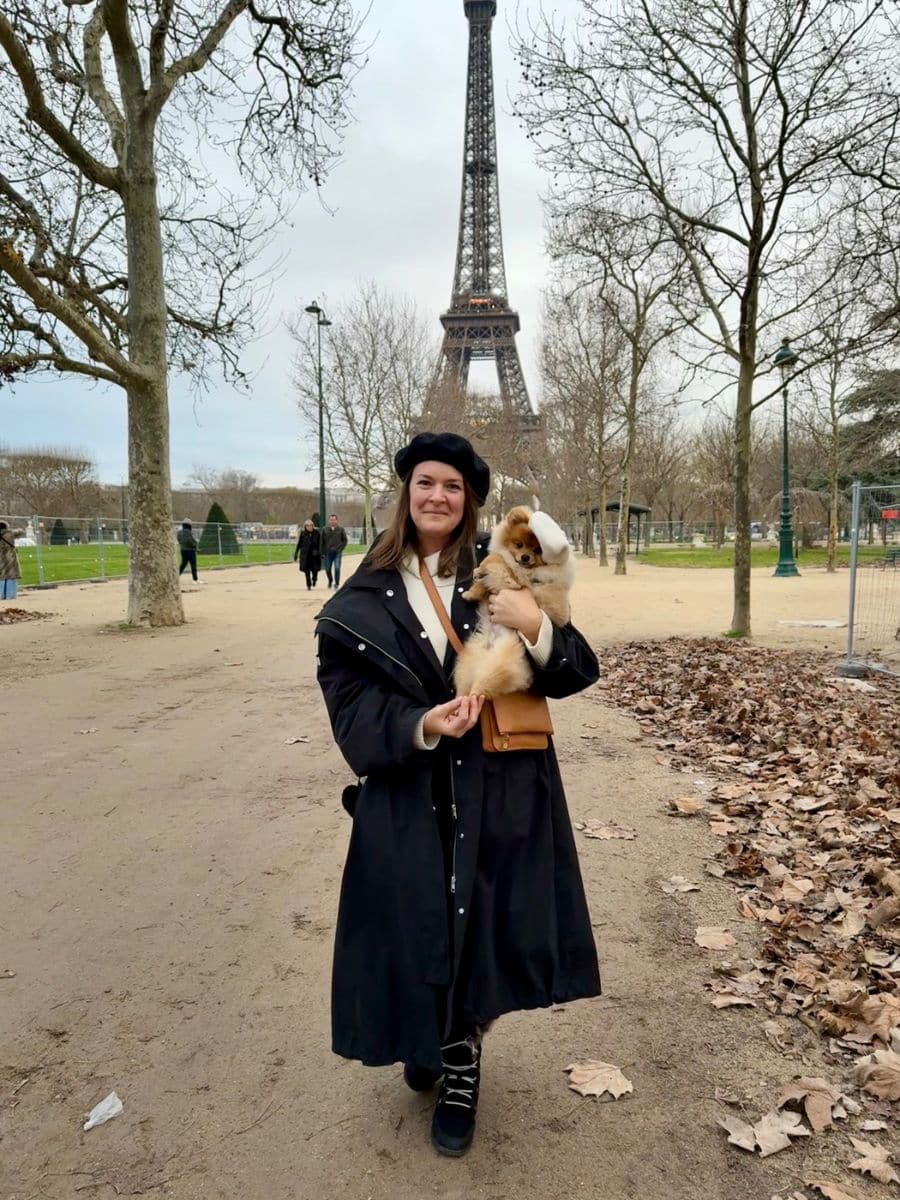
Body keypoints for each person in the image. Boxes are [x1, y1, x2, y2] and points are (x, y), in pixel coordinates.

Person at [315, 432, 601, 1158]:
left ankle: (461, 1057)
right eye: (425, 483)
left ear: (469, 501)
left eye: (452, 487)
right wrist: (419, 723)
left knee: (482, 919)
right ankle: (427, 1031)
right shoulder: (364, 591)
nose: (437, 497)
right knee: (417, 916)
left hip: (500, 786)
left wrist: (535, 626)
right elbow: (346, 699)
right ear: (405, 493)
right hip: (411, 787)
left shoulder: (506, 573)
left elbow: (577, 669)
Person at [321, 513, 348, 590]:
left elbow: (345, 540)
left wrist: (340, 549)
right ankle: (330, 580)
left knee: (337, 568)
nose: (332, 521)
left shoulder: (341, 529)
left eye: (334, 520)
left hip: (337, 553)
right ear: (329, 520)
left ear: (336, 520)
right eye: (331, 520)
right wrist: (322, 552)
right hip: (327, 553)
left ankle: (336, 583)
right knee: (327, 568)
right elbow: (321, 542)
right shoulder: (325, 529)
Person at [294, 519, 322, 590]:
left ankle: (314, 579)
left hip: (314, 555)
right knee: (307, 571)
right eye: (307, 526)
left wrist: (319, 552)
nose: (309, 527)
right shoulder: (303, 534)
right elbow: (299, 544)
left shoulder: (317, 533)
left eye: (310, 525)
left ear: (313, 526)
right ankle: (308, 585)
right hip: (305, 555)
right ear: (305, 526)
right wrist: (296, 553)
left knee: (315, 570)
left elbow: (320, 544)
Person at [0, 522, 22, 600]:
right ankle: (10, 595)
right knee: (11, 576)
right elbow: (20, 531)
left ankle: (1, 595)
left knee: (1, 577)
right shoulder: (10, 534)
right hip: (10, 557)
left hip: (1, 558)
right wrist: (9, 530)